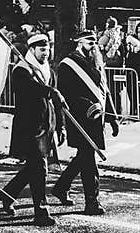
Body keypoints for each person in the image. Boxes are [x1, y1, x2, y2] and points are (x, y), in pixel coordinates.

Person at [0, 34, 66, 226]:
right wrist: (49, 91)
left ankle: (7, 194)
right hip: (29, 128)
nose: (46, 53)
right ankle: (41, 211)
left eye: (47, 49)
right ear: (32, 50)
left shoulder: (49, 71)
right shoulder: (22, 70)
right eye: (41, 50)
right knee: (39, 168)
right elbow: (28, 90)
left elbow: (56, 102)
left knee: (32, 168)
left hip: (47, 126)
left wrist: (60, 126)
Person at [51, 30, 119, 215]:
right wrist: (88, 106)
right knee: (89, 160)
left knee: (84, 157)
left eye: (95, 44)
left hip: (97, 119)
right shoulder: (68, 64)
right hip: (80, 119)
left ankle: (61, 187)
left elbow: (104, 90)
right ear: (80, 44)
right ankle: (92, 202)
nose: (94, 47)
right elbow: (67, 94)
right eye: (90, 44)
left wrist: (112, 118)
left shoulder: (96, 62)